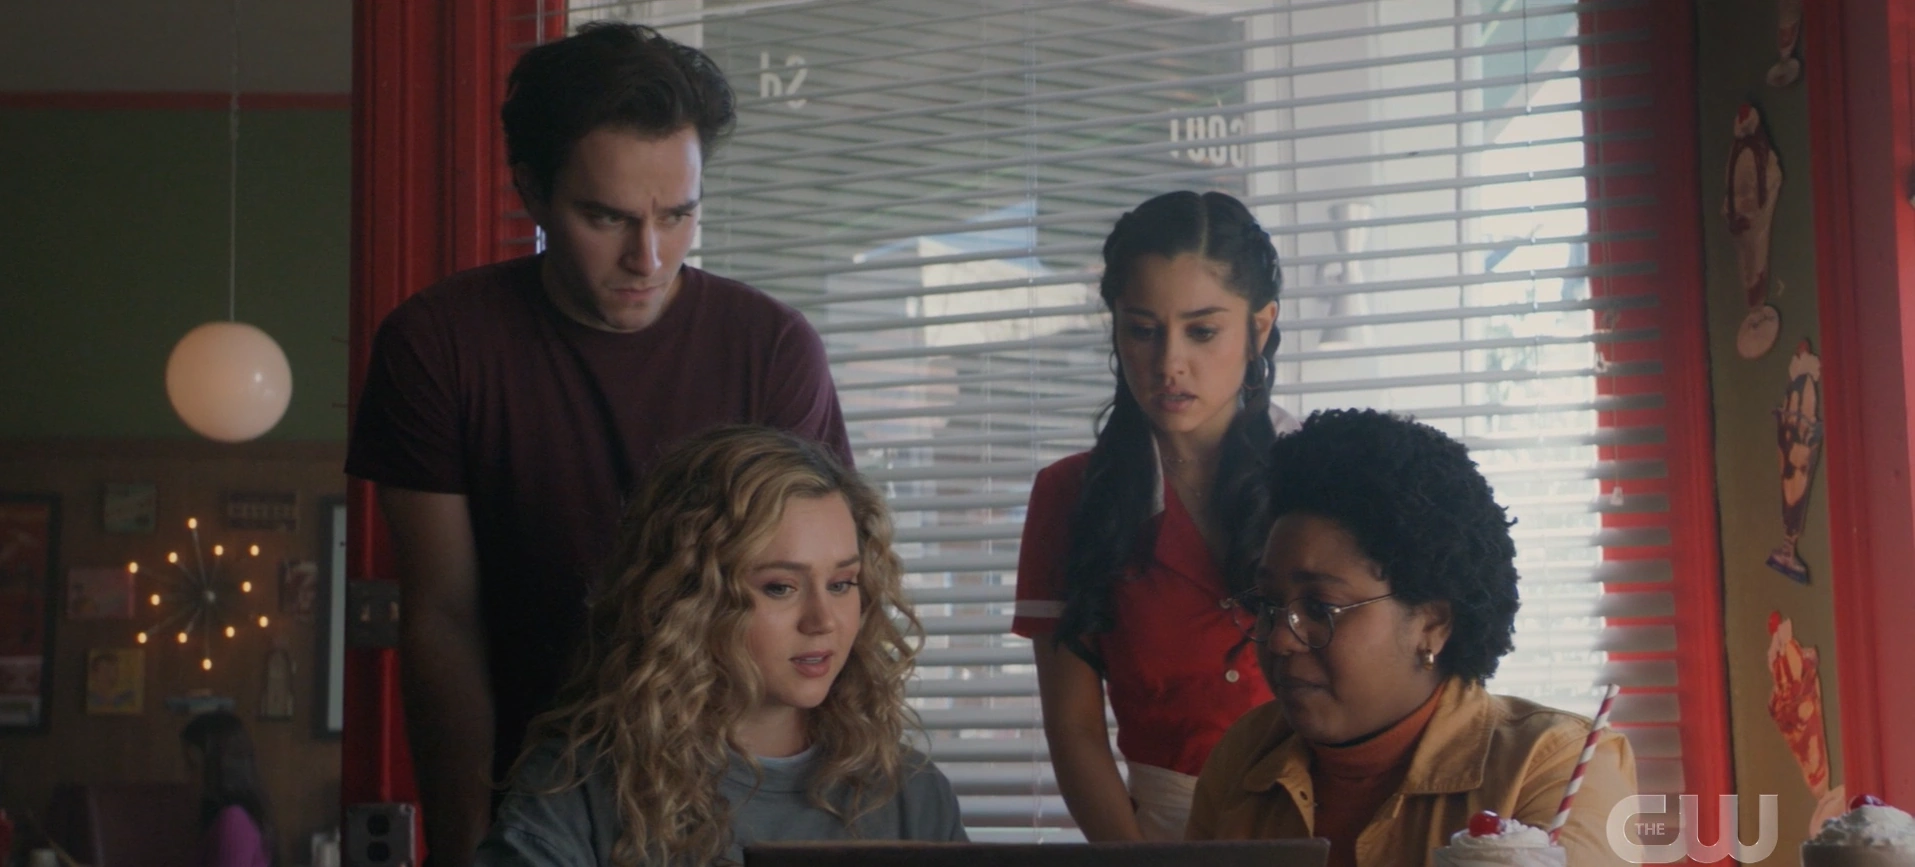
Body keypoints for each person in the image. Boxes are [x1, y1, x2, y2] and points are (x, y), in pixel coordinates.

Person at [344, 21, 852, 867]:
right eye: (605, 217)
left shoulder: (772, 349)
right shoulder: (439, 345)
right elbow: (442, 620)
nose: (647, 257)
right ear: (532, 191)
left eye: (677, 215)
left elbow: (817, 605)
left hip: (737, 805)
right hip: (535, 803)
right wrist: (462, 844)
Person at [475, 426, 964, 867]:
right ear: (689, 597)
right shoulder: (581, 787)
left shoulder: (911, 794)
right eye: (780, 587)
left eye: (841, 584)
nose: (823, 622)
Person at [1185, 409, 1637, 866]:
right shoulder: (1246, 756)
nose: (1280, 639)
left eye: (1320, 608)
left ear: (1431, 625)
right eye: (1268, 604)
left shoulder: (1552, 766)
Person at [1010, 190, 1297, 841]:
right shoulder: (1070, 495)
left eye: (1202, 331)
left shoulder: (1322, 475)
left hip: (1321, 824)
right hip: (1156, 838)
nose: (1169, 364)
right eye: (1142, 330)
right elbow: (1074, 729)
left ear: (1258, 328)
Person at [181, 711, 276, 867]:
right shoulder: (224, 816)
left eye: (193, 765)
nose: (186, 776)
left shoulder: (233, 821)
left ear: (219, 766)